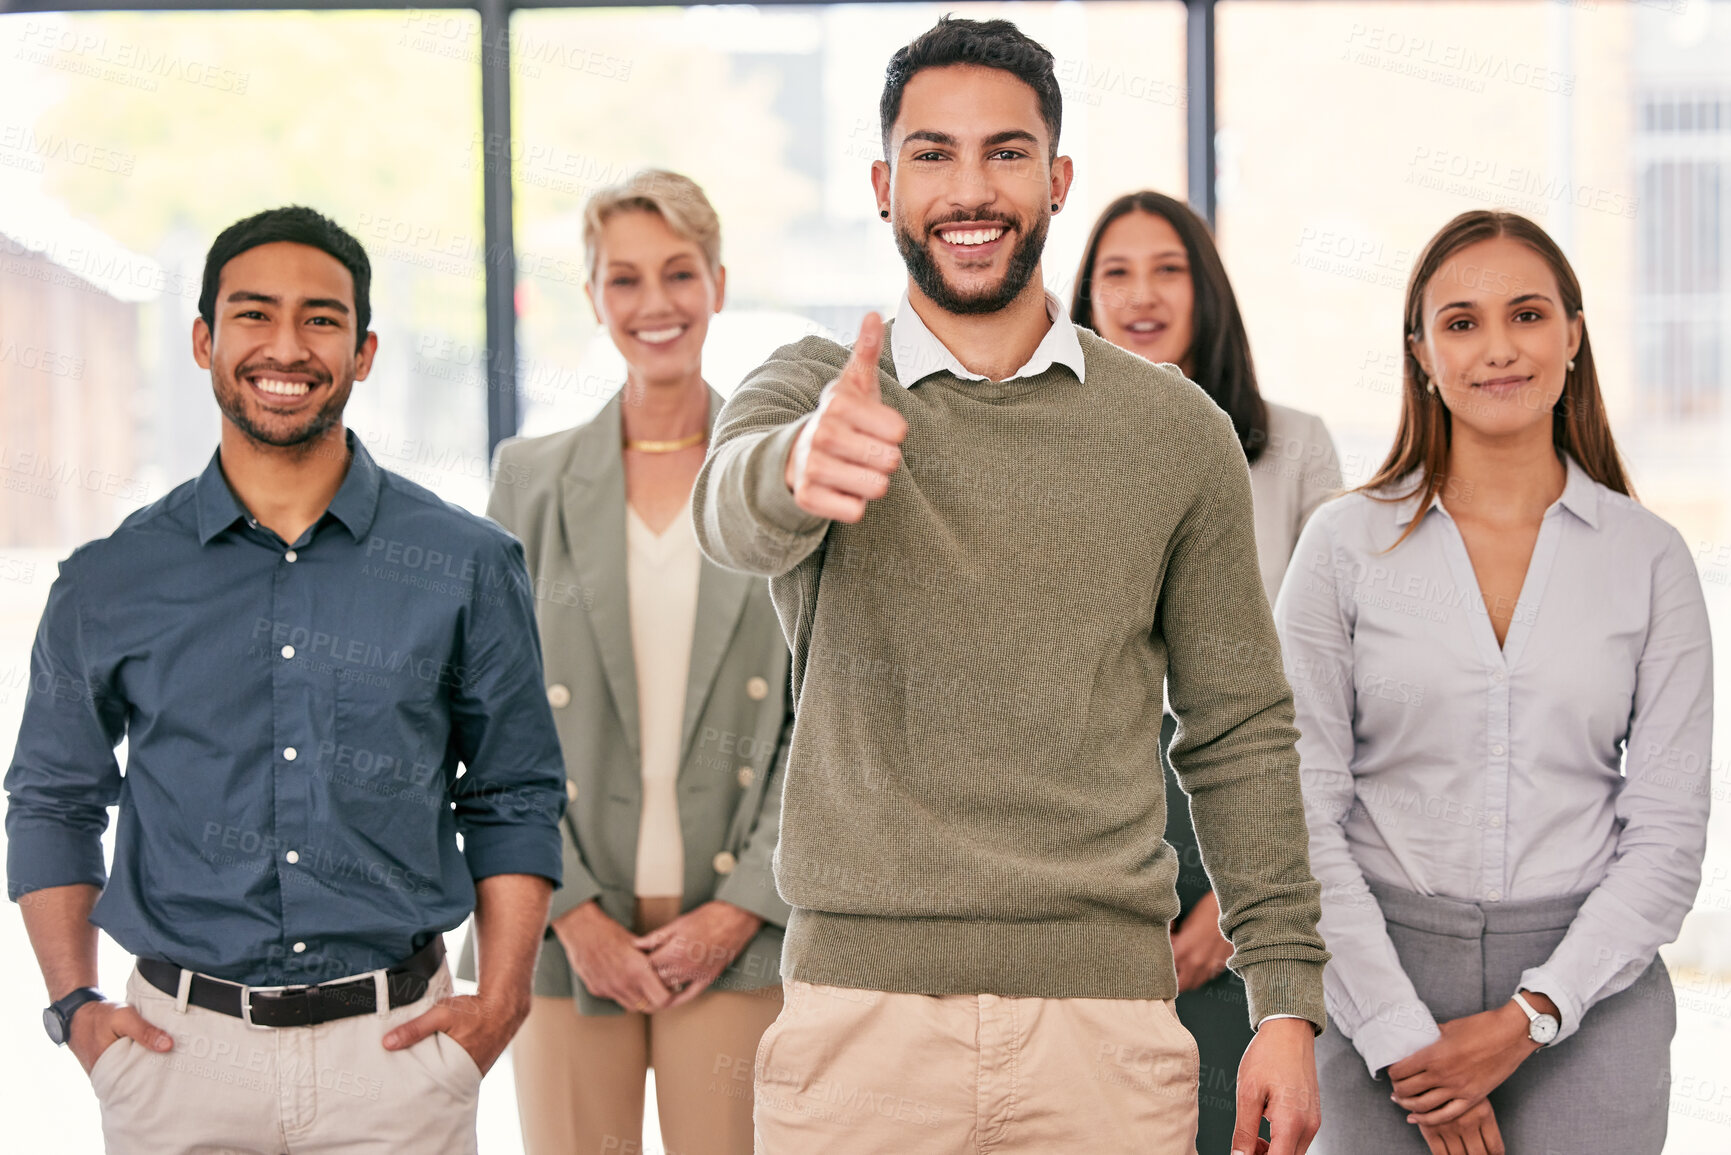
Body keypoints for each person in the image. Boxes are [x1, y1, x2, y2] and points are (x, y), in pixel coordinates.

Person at [695, 18, 1328, 1155]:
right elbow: (729, 508)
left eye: (1006, 152)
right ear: (885, 185)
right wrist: (801, 466)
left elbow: (1238, 728)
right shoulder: (810, 390)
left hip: (1105, 1026)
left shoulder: (1174, 433)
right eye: (933, 155)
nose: (969, 188)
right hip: (859, 1026)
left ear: (1057, 178)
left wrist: (1283, 998)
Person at [4, 206, 566, 1155]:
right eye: (254, 314)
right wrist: (75, 1008)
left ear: (363, 350)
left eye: (321, 319)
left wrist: (501, 1003)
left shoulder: (465, 563)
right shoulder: (112, 579)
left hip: (396, 1061)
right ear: (203, 341)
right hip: (175, 1060)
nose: (286, 346)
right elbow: (53, 799)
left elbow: (514, 791)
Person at [1276, 210, 1711, 1155]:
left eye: (1525, 314)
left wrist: (1528, 1018)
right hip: (1370, 972)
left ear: (1572, 336)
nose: (1497, 348)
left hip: (1587, 991)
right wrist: (1407, 1041)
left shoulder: (1649, 560)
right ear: (1422, 354)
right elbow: (1298, 811)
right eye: (1461, 322)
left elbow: (1669, 835)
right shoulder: (1341, 548)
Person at [463, 169, 792, 1155]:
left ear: (719, 285)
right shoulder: (531, 480)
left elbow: (821, 720)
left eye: (680, 274)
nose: (656, 305)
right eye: (625, 280)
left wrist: (739, 910)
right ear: (595, 297)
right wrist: (567, 909)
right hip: (566, 930)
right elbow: (484, 712)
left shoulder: (778, 470)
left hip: (738, 932)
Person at [1070, 190, 1342, 1155]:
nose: (1141, 294)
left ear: (1207, 293)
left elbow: (1317, 696)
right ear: (1084, 298)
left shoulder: (1295, 447)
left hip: (1244, 831)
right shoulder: (1054, 445)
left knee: (1237, 1125)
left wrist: (1232, 911)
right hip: (1096, 836)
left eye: (1167, 268)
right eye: (1116, 271)